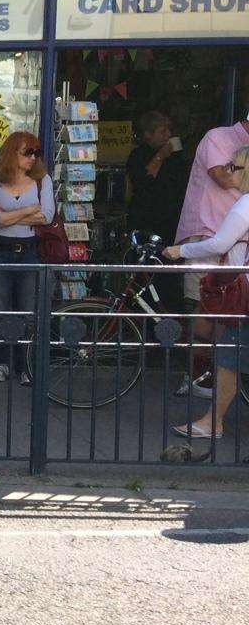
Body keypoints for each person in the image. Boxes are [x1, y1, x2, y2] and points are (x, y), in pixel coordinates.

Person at [164, 144, 249, 441]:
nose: (228, 172)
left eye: (234, 167)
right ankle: (212, 421)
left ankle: (213, 423)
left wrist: (181, 250)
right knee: (230, 355)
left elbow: (218, 244)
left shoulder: (245, 205)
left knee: (228, 358)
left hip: (245, 294)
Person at [173, 108, 249, 398]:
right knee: (201, 306)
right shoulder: (218, 137)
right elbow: (225, 179)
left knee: (230, 309)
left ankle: (221, 371)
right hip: (208, 231)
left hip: (236, 242)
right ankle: (199, 373)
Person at [0, 131, 53, 386]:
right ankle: (2, 363)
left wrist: (7, 214)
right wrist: (27, 210)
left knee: (28, 311)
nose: (33, 158)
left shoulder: (42, 181)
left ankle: (26, 365)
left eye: (35, 153)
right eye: (27, 153)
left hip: (29, 251)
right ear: (12, 153)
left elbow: (47, 216)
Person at [127, 110, 189, 317]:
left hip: (171, 223)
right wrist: (161, 155)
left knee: (169, 274)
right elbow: (143, 180)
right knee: (145, 273)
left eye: (169, 130)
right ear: (148, 134)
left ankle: (168, 318)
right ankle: (141, 317)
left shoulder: (177, 158)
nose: (167, 135)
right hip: (146, 223)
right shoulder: (138, 155)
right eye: (163, 131)